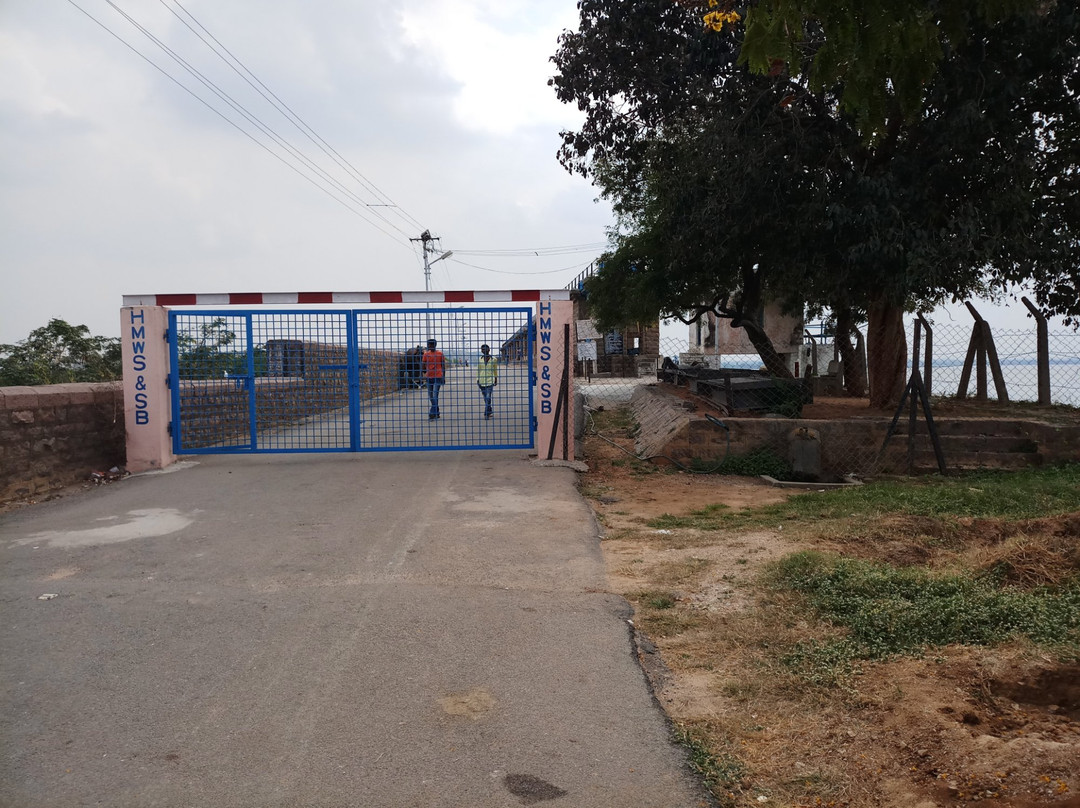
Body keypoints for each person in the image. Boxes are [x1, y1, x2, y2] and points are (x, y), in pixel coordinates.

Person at [422, 338, 445, 419]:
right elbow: (423, 364)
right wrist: (424, 372)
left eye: (430, 345)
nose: (428, 346)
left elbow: (443, 365)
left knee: (435, 395)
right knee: (431, 396)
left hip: (438, 376)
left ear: (434, 345)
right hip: (429, 376)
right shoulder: (426, 354)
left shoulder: (439, 354)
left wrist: (443, 376)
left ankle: (432, 412)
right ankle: (437, 411)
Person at [476, 343, 498, 418]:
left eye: (485, 349)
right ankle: (489, 410)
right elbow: (478, 370)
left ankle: (486, 413)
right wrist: (477, 379)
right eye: (482, 349)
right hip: (482, 380)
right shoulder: (480, 359)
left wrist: (495, 378)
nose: (483, 350)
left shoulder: (494, 359)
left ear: (489, 350)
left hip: (490, 380)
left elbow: (495, 369)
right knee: (485, 397)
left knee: (488, 397)